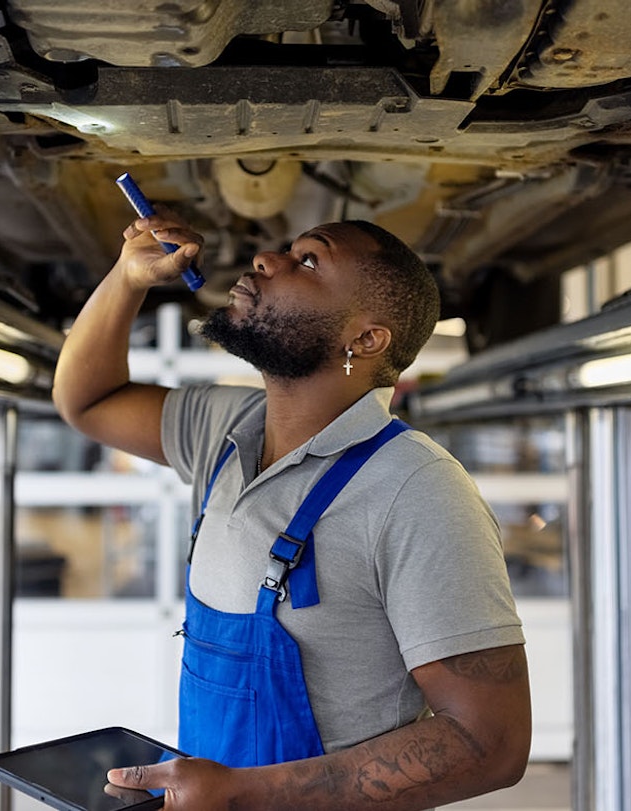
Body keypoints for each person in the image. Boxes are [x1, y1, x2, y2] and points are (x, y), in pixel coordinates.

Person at [52, 208, 531, 810]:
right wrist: (127, 279)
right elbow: (87, 400)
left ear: (365, 339)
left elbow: (491, 742)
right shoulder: (228, 428)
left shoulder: (418, 490)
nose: (265, 260)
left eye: (308, 260)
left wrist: (242, 796)